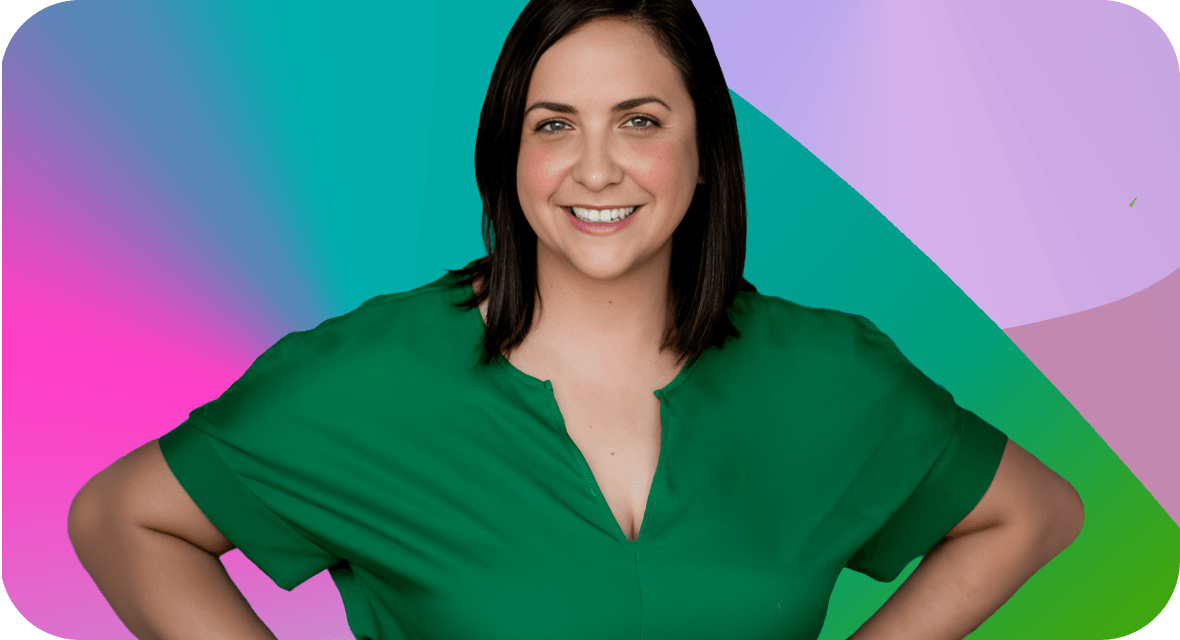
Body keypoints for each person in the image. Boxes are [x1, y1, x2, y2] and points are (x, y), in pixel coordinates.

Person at [67, 0, 1084, 638]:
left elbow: (1033, 511)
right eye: (553, 125)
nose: (595, 168)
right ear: (509, 157)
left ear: (703, 151)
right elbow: (122, 516)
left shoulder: (830, 374)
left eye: (639, 121)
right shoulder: (369, 378)